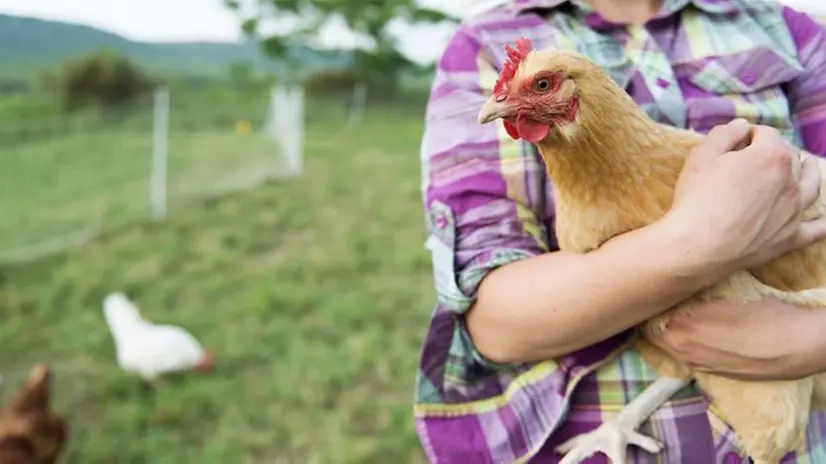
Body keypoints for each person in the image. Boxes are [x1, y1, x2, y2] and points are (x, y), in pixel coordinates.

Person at [415, 0, 826, 462]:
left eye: (543, 86)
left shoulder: (792, 32)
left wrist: (816, 340)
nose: (503, 101)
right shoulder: (480, 43)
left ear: (576, 95)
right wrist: (697, 244)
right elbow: (493, 325)